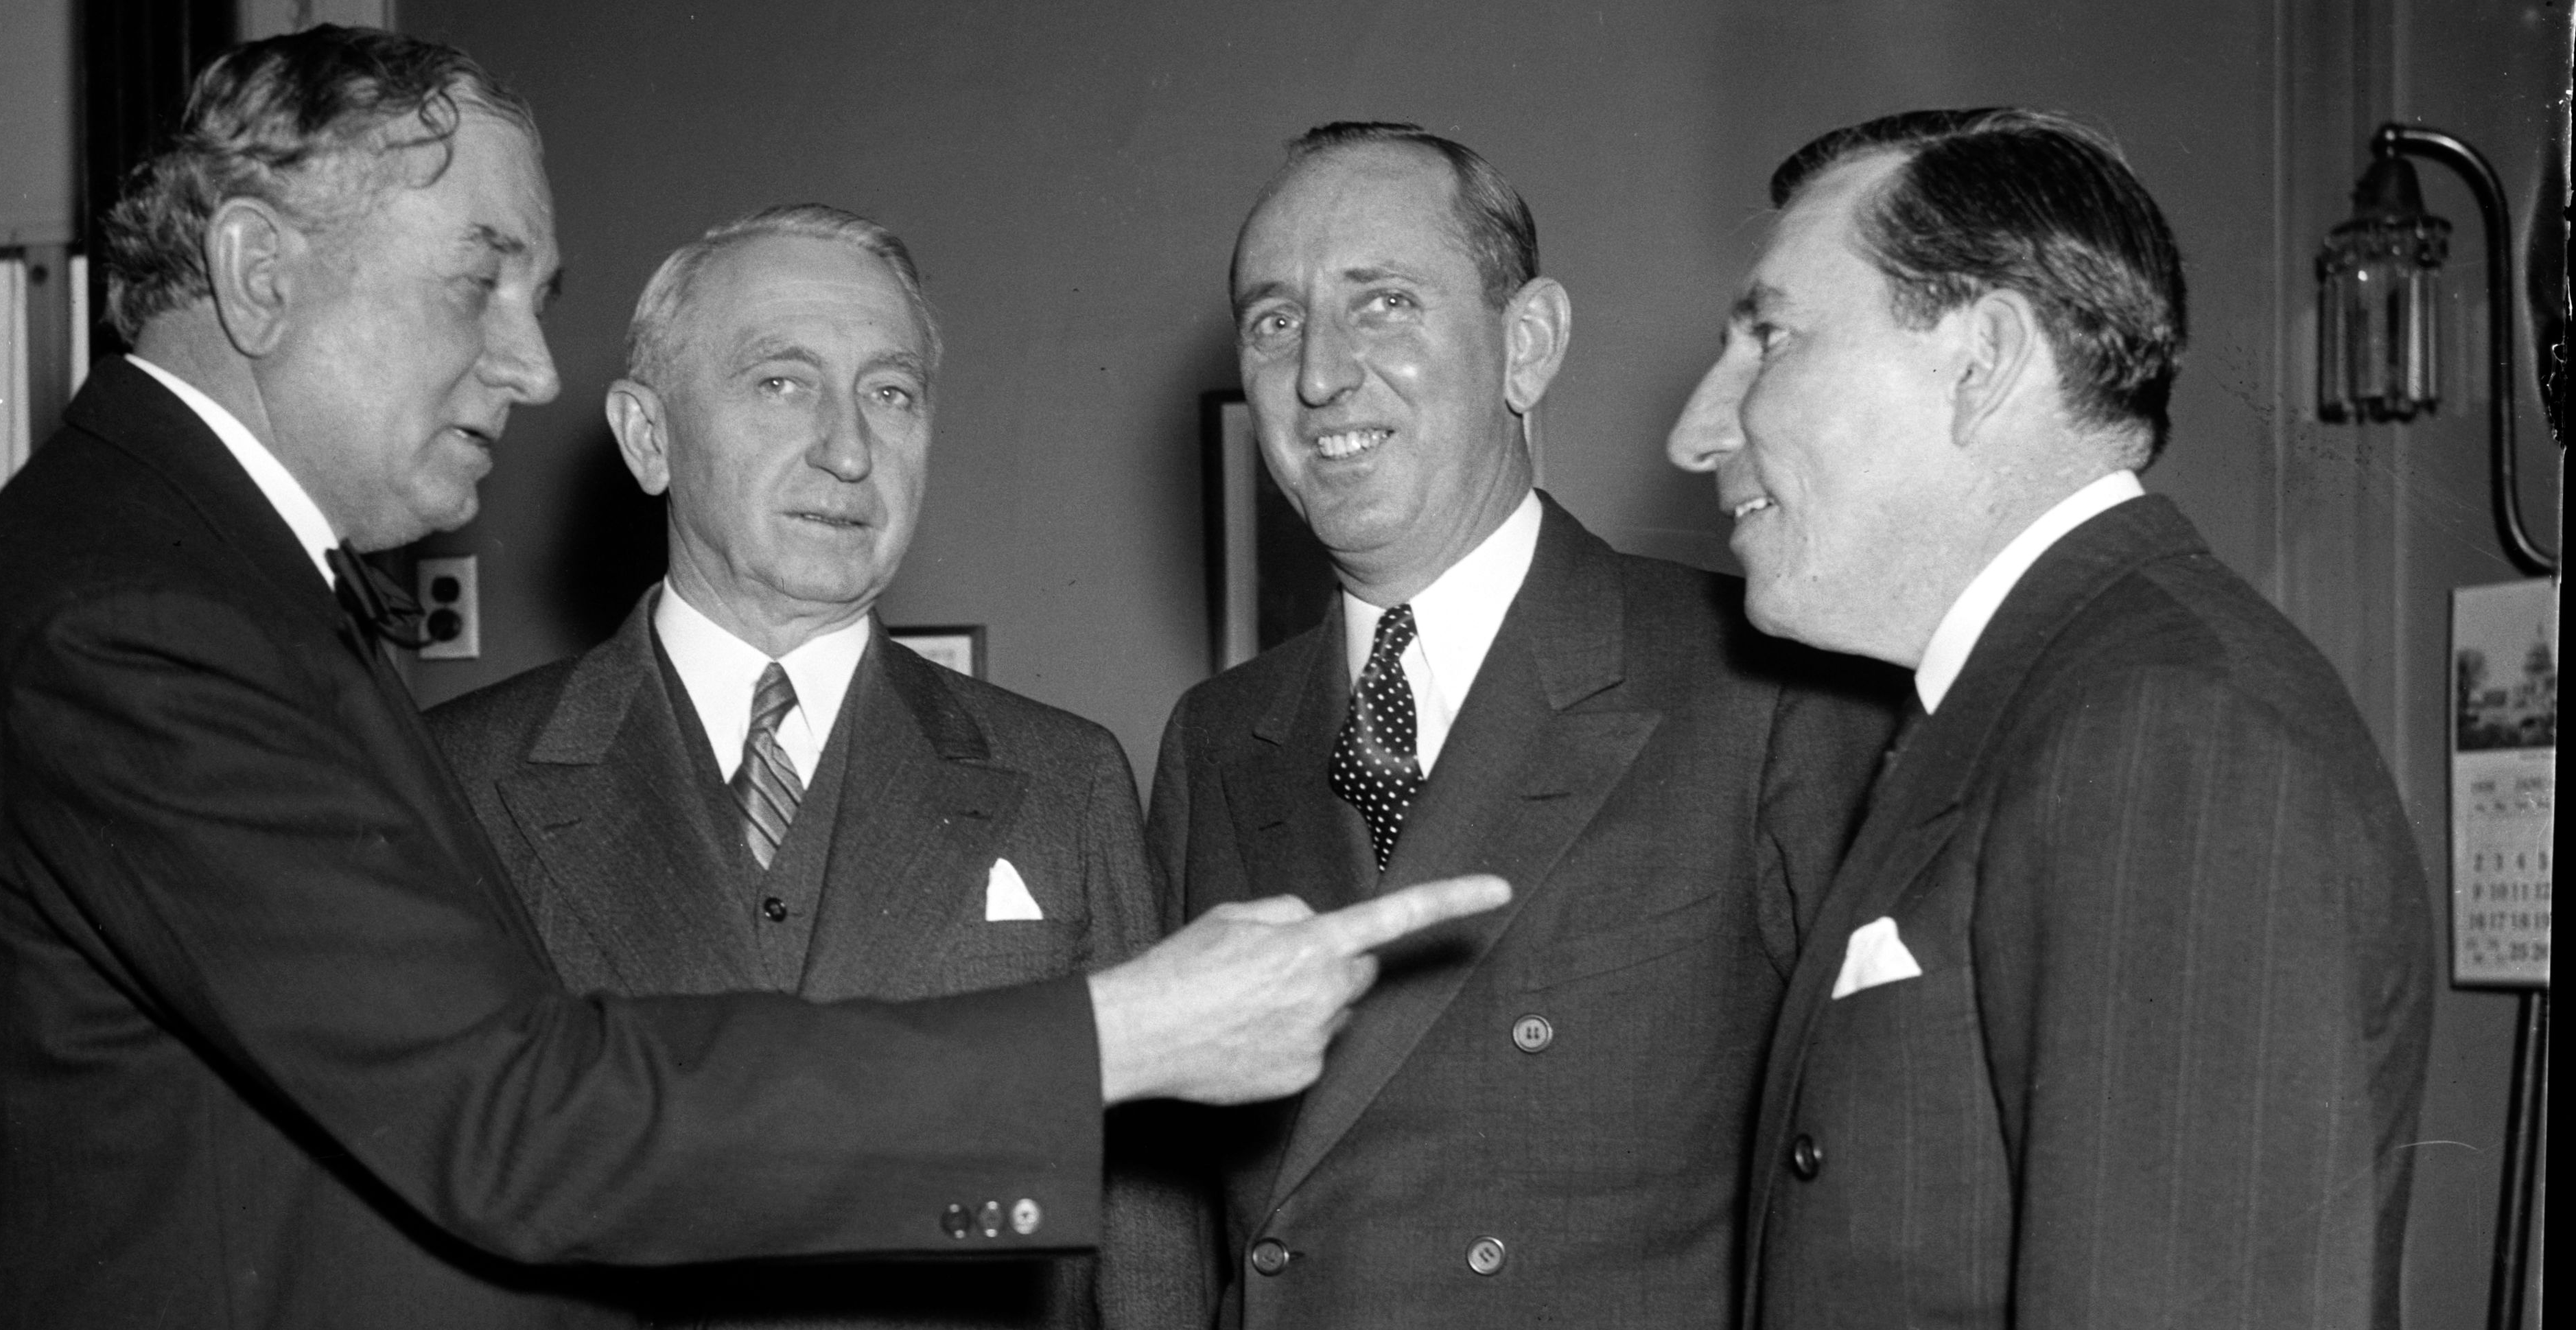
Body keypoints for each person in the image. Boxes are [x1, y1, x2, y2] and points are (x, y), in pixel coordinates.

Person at [0, 29, 1502, 1329]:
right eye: (482, 277)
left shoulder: (206, 586)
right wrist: (1112, 1032)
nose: (528, 359)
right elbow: (518, 1121)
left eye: (896, 395)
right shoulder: (144, 621)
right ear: (260, 276)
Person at [1666, 107, 2434, 1329]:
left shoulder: (2168, 732)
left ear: (1983, 362)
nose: (1697, 429)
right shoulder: (2044, 698)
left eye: (1771, 338)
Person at [1147, 122, 1897, 1328]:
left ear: (1527, 347)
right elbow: (1182, 1224)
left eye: (1382, 303)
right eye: (1275, 320)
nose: (1321, 376)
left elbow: (1874, 1183)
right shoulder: (1218, 737)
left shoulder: (1760, 686)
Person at [422, 205, 1201, 1327]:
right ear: (650, 438)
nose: (848, 448)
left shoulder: (1063, 780)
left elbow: (1145, 1238)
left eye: (891, 394)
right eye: (782, 383)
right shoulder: (465, 776)